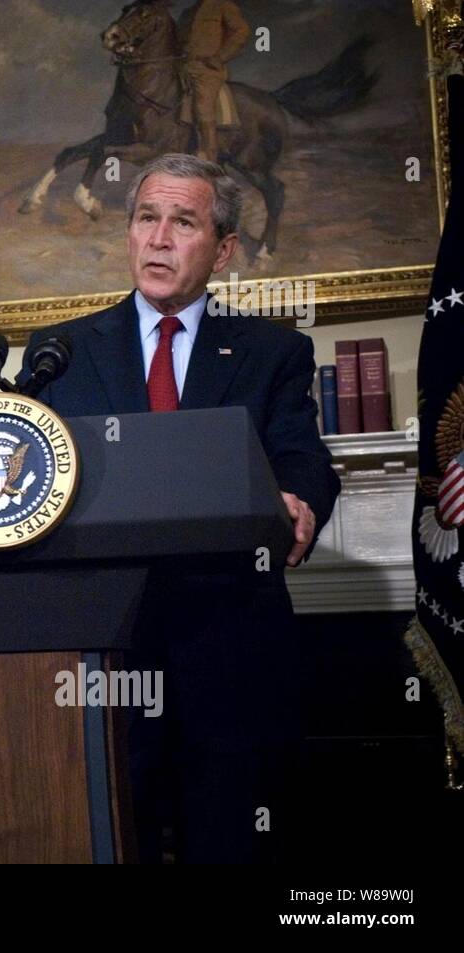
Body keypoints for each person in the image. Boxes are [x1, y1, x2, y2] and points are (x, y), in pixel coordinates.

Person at [17, 153, 340, 862]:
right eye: (146, 218)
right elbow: (33, 469)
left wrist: (301, 501)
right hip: (102, 652)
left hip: (227, 646)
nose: (159, 238)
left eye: (183, 222)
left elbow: (302, 456)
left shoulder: (272, 351)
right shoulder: (61, 351)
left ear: (223, 250)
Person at [179, 0, 250, 161]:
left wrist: (220, 57)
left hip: (207, 69)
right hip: (183, 67)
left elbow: (241, 31)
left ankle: (209, 155)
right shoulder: (188, 13)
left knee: (202, 106)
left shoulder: (222, 5)